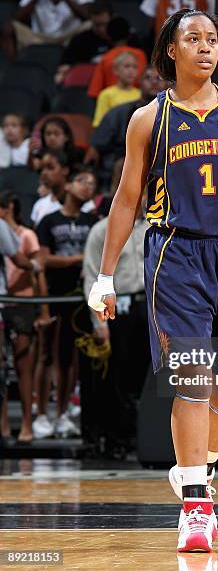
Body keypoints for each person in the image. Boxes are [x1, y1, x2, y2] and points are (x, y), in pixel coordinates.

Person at [88, 9, 218, 552]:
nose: (205, 47)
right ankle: (196, 507)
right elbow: (126, 200)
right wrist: (104, 276)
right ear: (171, 51)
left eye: (212, 39)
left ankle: (199, 466)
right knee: (192, 375)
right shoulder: (149, 119)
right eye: (192, 38)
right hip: (175, 253)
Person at [83, 161, 149, 457]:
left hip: (151, 306)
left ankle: (150, 437)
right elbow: (90, 277)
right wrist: (99, 325)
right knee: (118, 378)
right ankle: (120, 440)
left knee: (149, 375)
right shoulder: (101, 231)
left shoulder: (157, 228)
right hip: (117, 309)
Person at [38, 166, 98, 437]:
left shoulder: (92, 221)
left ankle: (65, 412)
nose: (87, 187)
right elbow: (44, 259)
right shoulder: (49, 221)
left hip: (83, 297)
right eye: (82, 180)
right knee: (53, 355)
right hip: (56, 295)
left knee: (77, 357)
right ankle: (43, 413)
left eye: (92, 184)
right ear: (69, 185)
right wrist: (78, 259)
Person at [0, 191, 51, 442]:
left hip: (22, 301)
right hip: (4, 300)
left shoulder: (27, 235)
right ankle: (4, 425)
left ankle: (27, 424)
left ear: (10, 207)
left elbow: (35, 271)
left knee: (23, 365)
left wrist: (43, 310)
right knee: (2, 367)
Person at [85, 66, 168, 186]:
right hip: (122, 164)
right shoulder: (118, 112)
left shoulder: (176, 113)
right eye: (148, 78)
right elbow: (94, 149)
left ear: (167, 83)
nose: (154, 81)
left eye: (159, 78)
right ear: (139, 83)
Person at [87, 17, 148, 98]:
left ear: (108, 36)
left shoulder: (106, 58)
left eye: (134, 67)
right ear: (129, 35)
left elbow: (94, 92)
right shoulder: (141, 55)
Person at [55, 1, 113, 85]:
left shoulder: (122, 38)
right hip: (85, 82)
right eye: (97, 25)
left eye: (104, 24)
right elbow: (65, 64)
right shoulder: (80, 40)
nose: (101, 29)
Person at [31, 150, 94, 227]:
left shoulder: (83, 201)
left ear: (65, 170)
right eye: (42, 169)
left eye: (50, 168)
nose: (44, 173)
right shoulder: (39, 205)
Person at [92, 51, 141, 128]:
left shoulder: (140, 94)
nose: (131, 71)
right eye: (127, 66)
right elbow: (99, 124)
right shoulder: (106, 94)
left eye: (134, 67)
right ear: (116, 70)